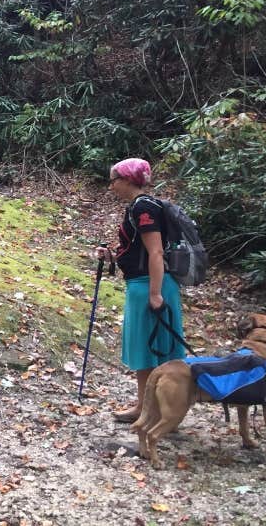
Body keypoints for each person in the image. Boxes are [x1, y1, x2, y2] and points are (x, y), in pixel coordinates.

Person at [93, 158, 187, 423]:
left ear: (125, 180)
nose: (111, 187)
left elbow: (156, 251)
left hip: (149, 285)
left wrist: (155, 294)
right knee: (153, 348)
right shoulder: (146, 206)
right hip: (147, 282)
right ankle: (150, 407)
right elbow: (140, 251)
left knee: (149, 349)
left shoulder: (142, 208)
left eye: (113, 181)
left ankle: (151, 411)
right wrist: (113, 257)